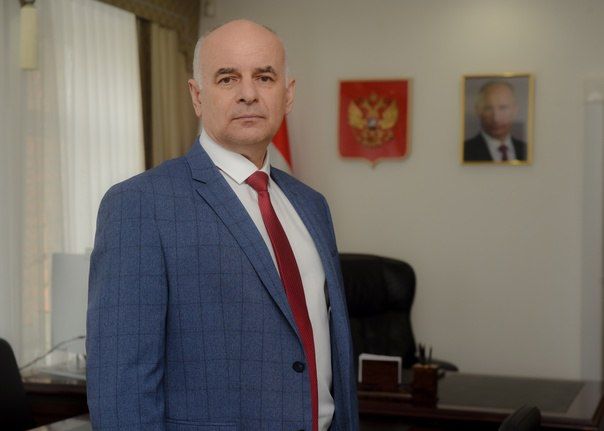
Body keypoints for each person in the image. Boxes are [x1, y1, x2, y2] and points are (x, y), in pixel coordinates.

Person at [86, 19, 359, 431]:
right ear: (197, 96)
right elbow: (121, 390)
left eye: (264, 77)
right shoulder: (139, 204)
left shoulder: (312, 206)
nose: (248, 93)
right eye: (228, 78)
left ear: (287, 94)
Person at [463, 81, 527, 162]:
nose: (496, 118)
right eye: (488, 108)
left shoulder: (526, 150)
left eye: (503, 108)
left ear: (515, 110)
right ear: (478, 111)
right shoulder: (465, 151)